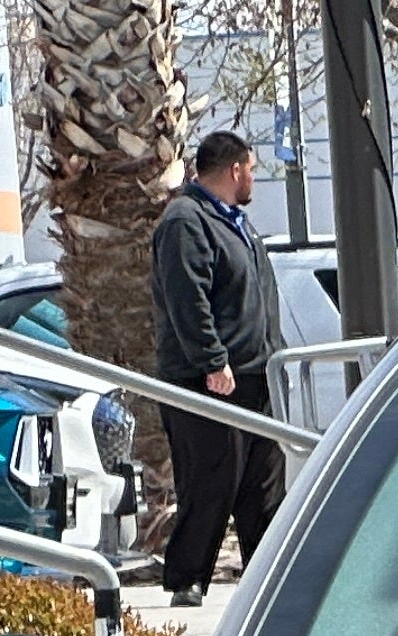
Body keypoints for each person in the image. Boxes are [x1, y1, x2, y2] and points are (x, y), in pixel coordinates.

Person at [146, 130, 284, 606]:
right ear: (234, 170)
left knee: (262, 484)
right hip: (208, 381)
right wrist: (211, 360)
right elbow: (188, 299)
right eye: (251, 169)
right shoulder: (187, 221)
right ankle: (187, 579)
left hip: (254, 374)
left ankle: (269, 576)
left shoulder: (236, 223)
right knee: (210, 479)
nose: (253, 180)